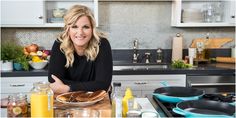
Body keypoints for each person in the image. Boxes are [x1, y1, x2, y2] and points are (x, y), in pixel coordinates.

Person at [48, 4, 113, 94]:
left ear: (92, 28)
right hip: (67, 100)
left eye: (85, 27)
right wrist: (93, 85)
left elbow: (103, 85)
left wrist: (68, 88)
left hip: (96, 100)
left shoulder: (102, 44)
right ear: (68, 29)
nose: (80, 32)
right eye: (75, 27)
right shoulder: (60, 43)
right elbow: (53, 80)